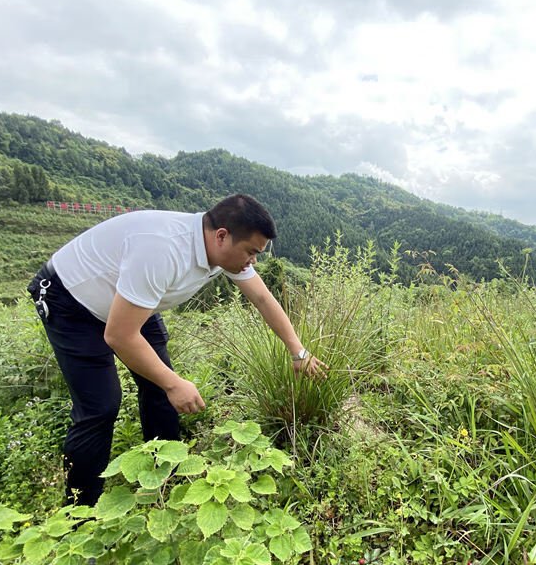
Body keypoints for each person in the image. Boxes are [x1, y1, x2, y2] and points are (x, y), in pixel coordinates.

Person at [27, 194, 327, 506]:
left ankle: (165, 476)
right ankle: (80, 512)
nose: (253, 261)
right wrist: (174, 384)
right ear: (222, 235)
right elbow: (119, 335)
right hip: (70, 300)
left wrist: (298, 352)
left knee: (160, 385)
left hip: (132, 299)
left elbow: (263, 299)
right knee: (101, 406)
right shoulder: (163, 249)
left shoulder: (220, 249)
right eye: (251, 252)